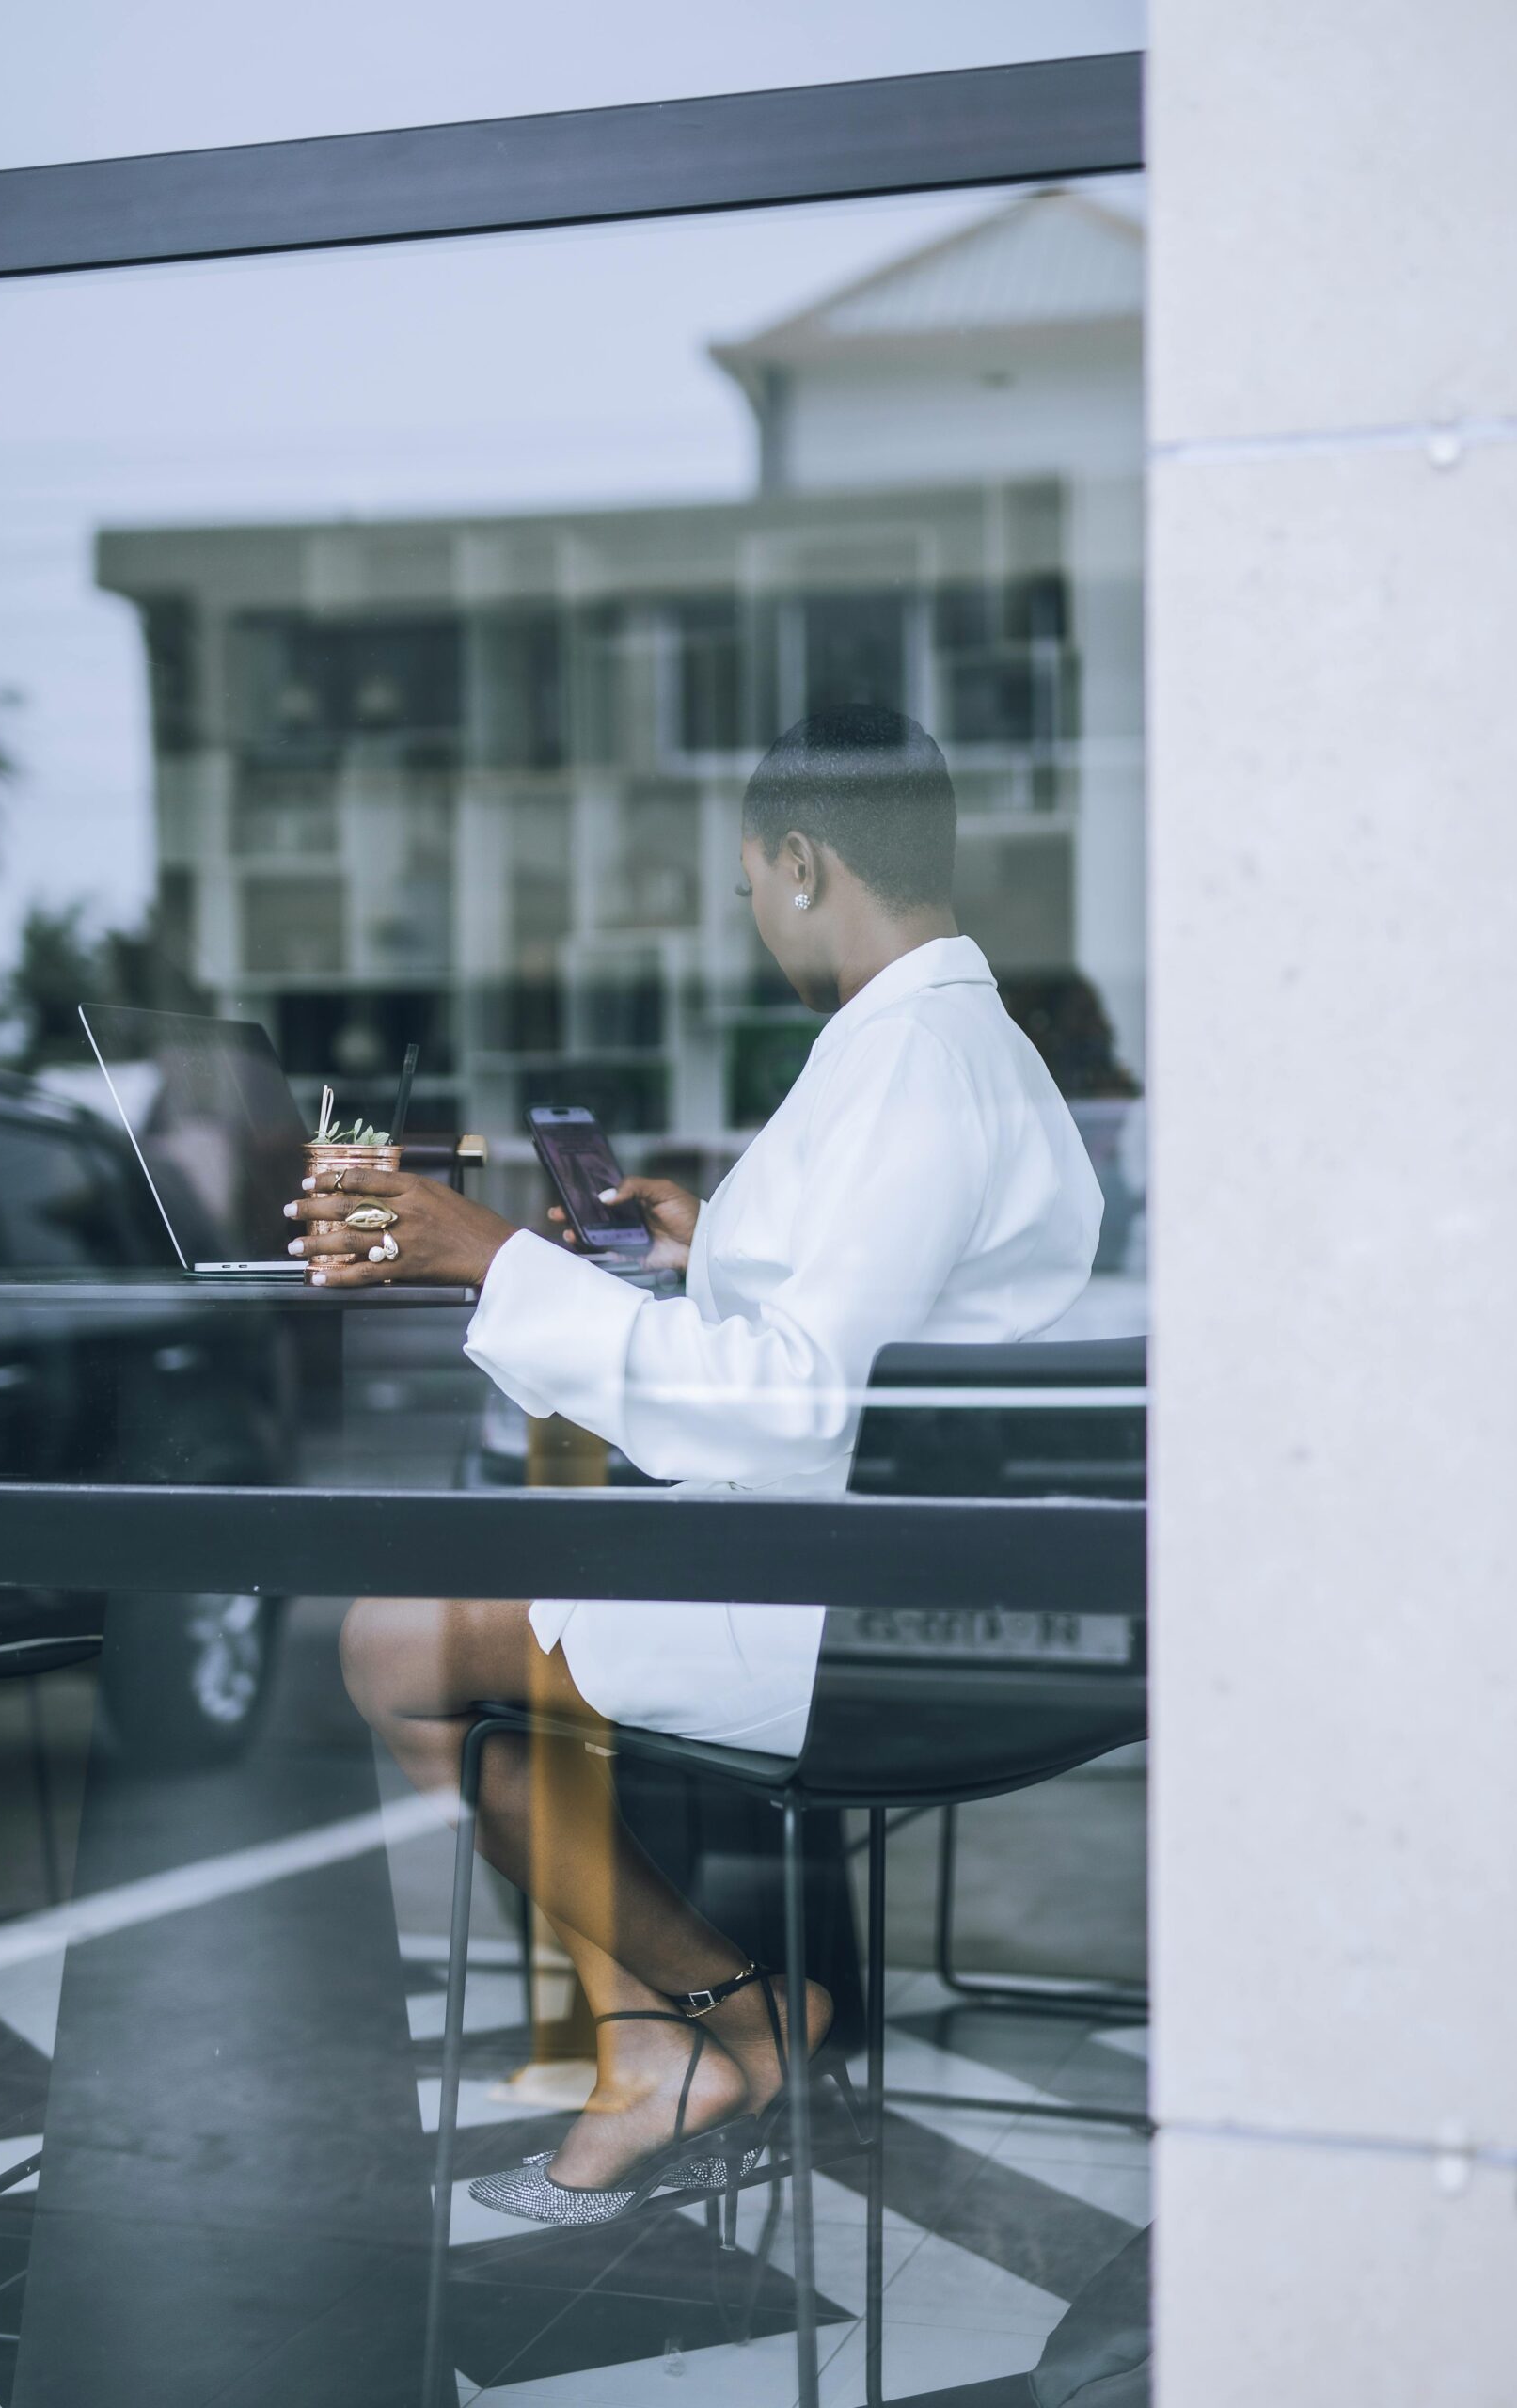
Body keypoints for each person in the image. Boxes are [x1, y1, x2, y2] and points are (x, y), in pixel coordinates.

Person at [281, 703, 1103, 2226]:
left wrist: (484, 1262)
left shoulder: (911, 1061)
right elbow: (885, 1318)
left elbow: (795, 1398)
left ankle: (701, 2029)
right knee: (480, 1634)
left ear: (799, 864)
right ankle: (686, 2031)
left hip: (867, 1626)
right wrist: (717, 1241)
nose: (755, 924)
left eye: (747, 891)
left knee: (397, 1644)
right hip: (918, 1591)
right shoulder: (950, 1047)